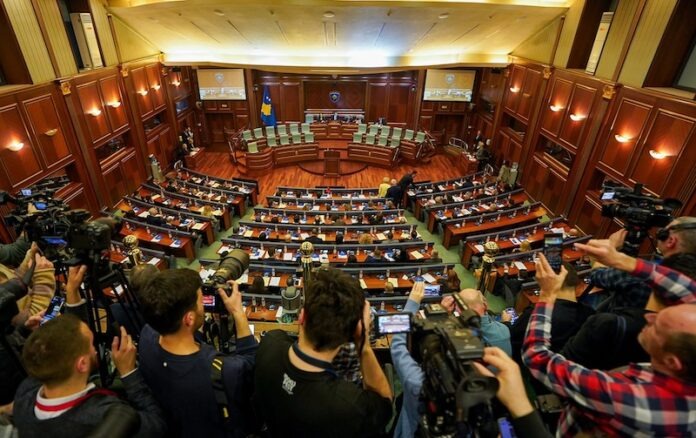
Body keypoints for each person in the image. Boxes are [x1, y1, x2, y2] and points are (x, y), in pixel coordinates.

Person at [522, 244, 696, 437]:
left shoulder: (623, 397)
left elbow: (536, 358)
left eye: (658, 325)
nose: (648, 316)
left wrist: (547, 295)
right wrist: (620, 260)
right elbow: (687, 288)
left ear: (672, 361)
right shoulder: (685, 355)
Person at [253, 268, 392, 437]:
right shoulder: (350, 406)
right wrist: (364, 346)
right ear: (355, 330)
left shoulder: (270, 343)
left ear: (302, 316)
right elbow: (384, 404)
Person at [138, 269, 258, 437]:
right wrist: (238, 312)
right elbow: (252, 361)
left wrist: (196, 324)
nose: (204, 305)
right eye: (201, 301)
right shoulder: (223, 370)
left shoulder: (146, 335)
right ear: (189, 318)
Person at [13, 316, 166, 437]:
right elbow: (156, 425)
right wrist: (128, 373)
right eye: (92, 344)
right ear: (83, 364)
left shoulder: (25, 392)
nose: (95, 350)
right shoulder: (105, 414)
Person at [508, 262, 594, 364]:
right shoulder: (591, 315)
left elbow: (512, 339)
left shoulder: (536, 314)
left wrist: (506, 323)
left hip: (533, 365)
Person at [442, 289, 512, 356]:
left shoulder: (455, 335)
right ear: (485, 305)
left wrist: (445, 312)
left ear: (458, 310)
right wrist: (506, 321)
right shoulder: (504, 330)